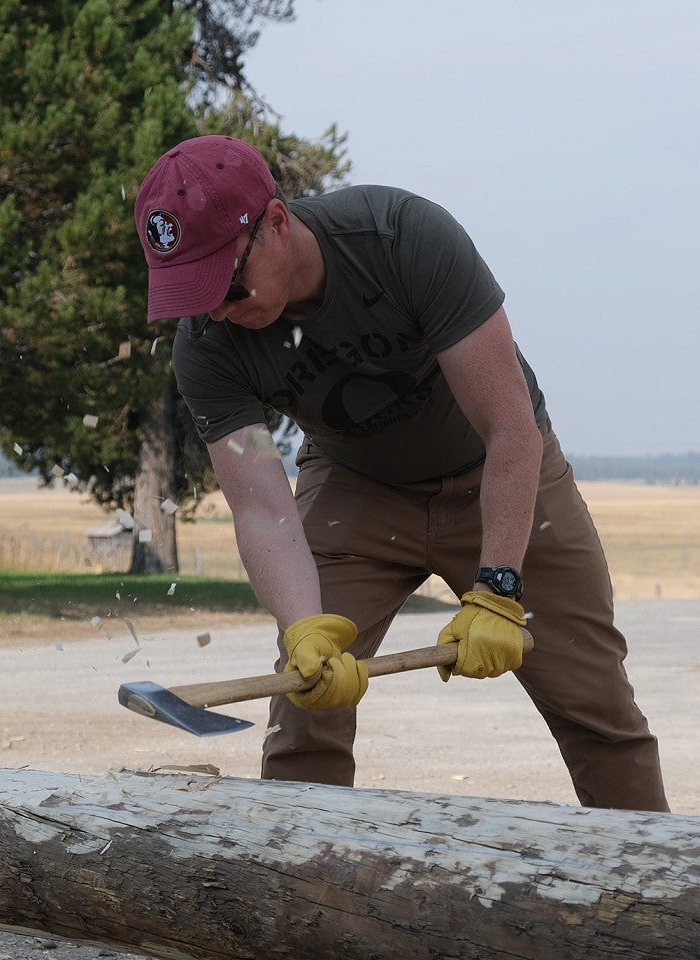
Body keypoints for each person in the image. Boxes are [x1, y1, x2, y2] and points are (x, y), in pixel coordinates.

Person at [134, 135, 668, 811]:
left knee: (596, 707)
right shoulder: (208, 346)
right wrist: (303, 626)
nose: (215, 311)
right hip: (358, 485)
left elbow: (510, 429)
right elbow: (261, 507)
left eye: (226, 286)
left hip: (498, 472)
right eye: (193, 294)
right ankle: (299, 897)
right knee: (306, 708)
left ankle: (648, 897)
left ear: (274, 223)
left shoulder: (402, 240)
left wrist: (499, 585)